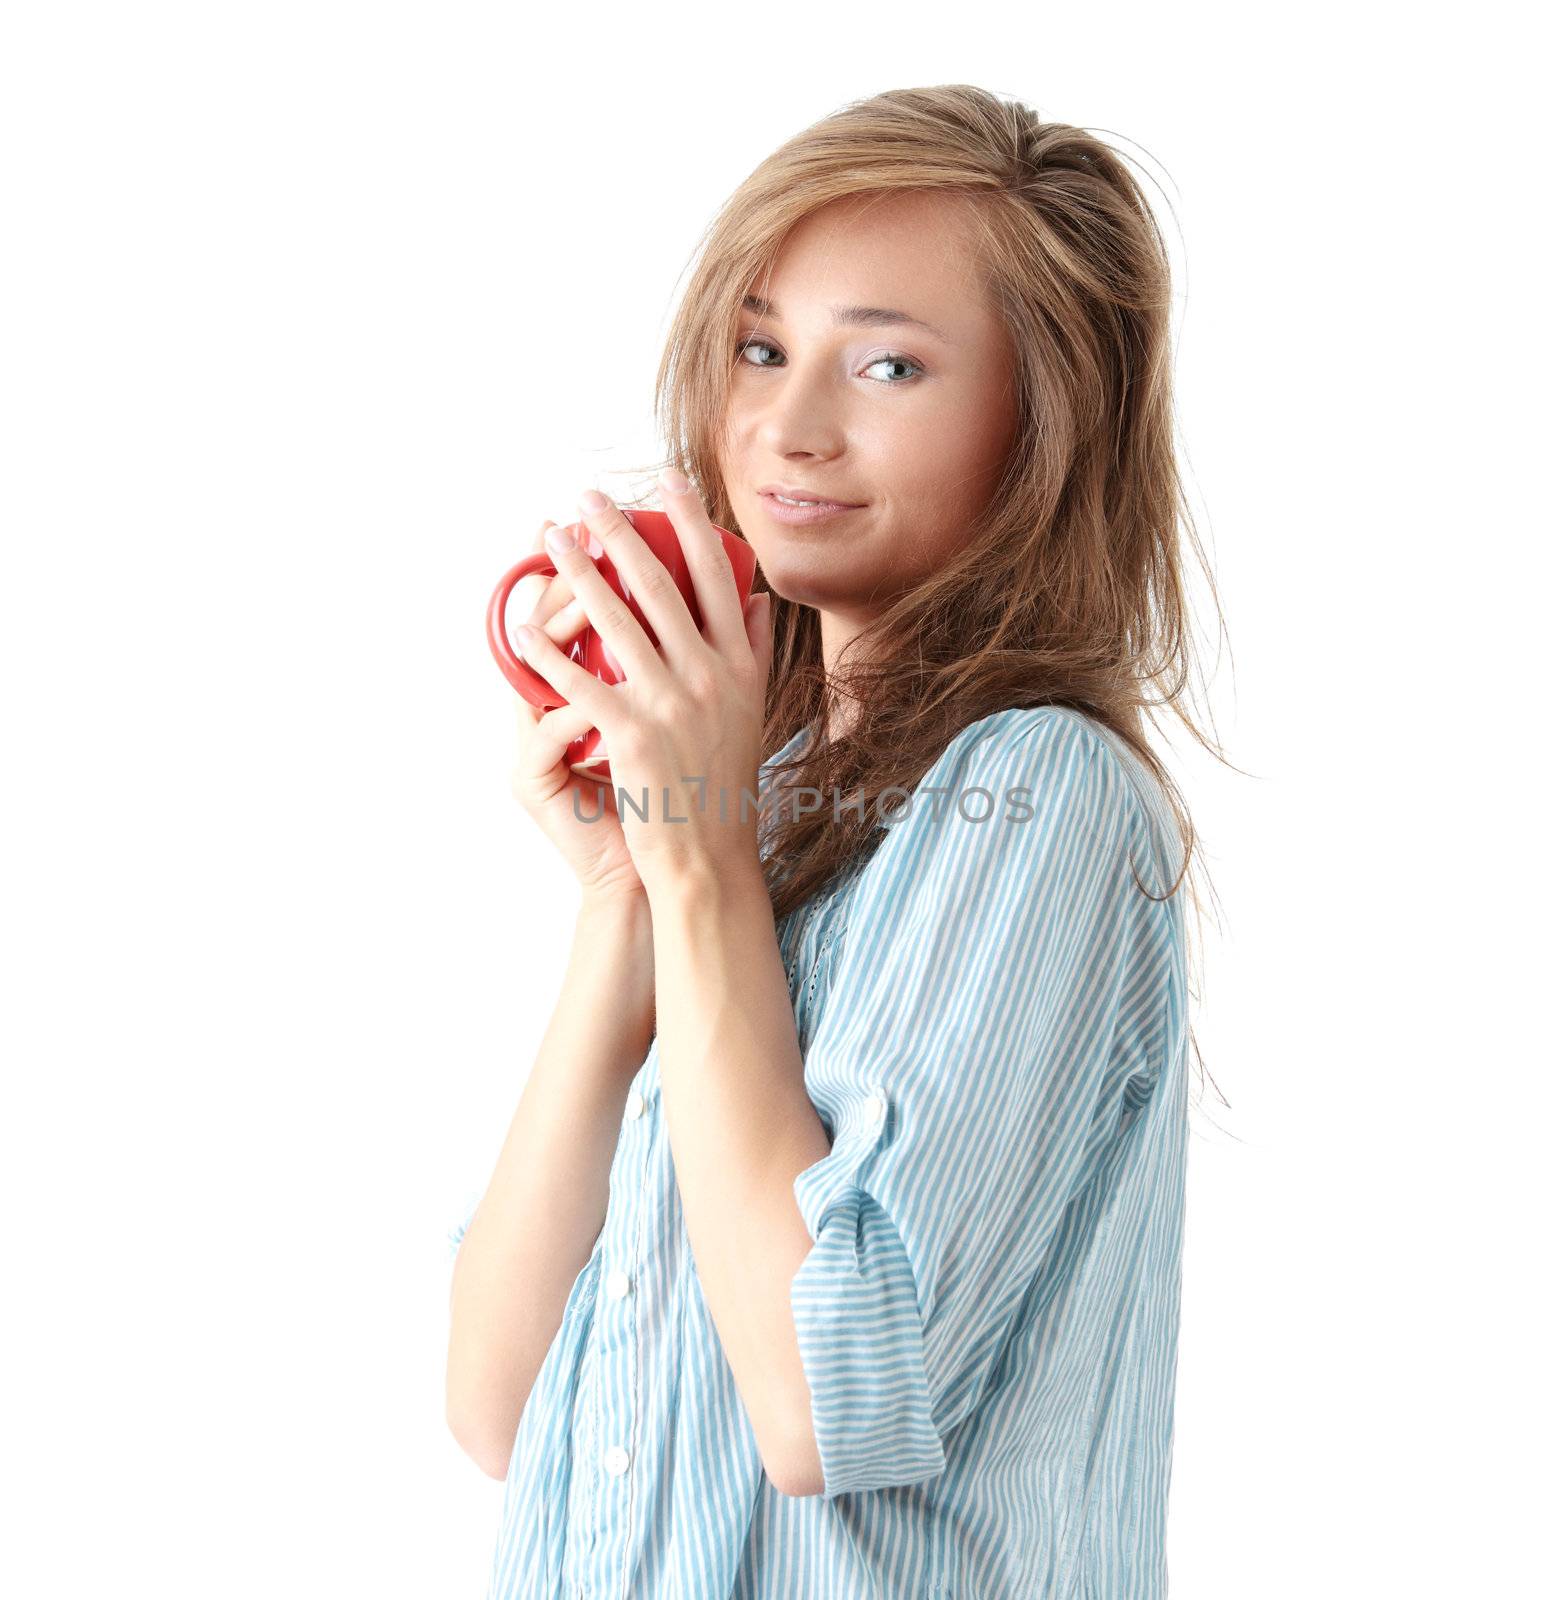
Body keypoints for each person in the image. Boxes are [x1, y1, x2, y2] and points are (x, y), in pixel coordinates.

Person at [445, 83, 1224, 1600]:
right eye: (760, 347)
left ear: (1043, 423)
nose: (789, 427)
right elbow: (495, 1401)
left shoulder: (1043, 798)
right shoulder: (754, 812)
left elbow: (818, 1399)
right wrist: (631, 896)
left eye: (888, 364)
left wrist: (698, 868)